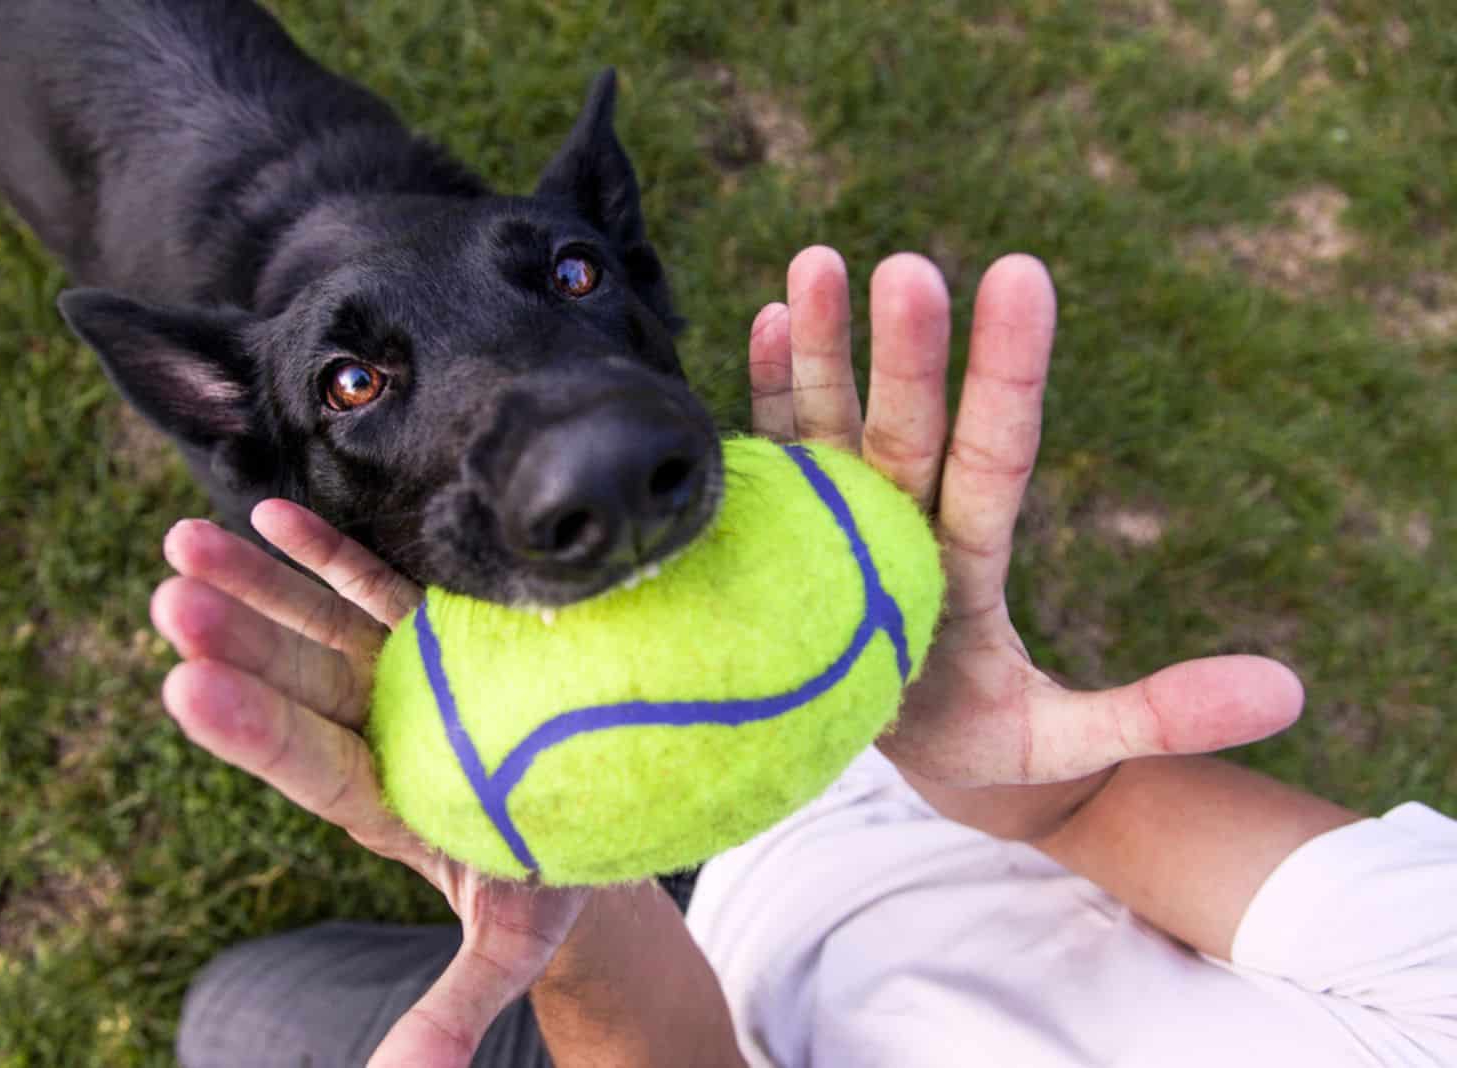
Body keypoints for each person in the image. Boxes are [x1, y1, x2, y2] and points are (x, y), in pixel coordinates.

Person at [149, 248, 1457, 1068]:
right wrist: (998, 766)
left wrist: (576, 904)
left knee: (233, 1019)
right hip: (878, 763)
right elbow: (1088, 798)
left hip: (659, 1013)